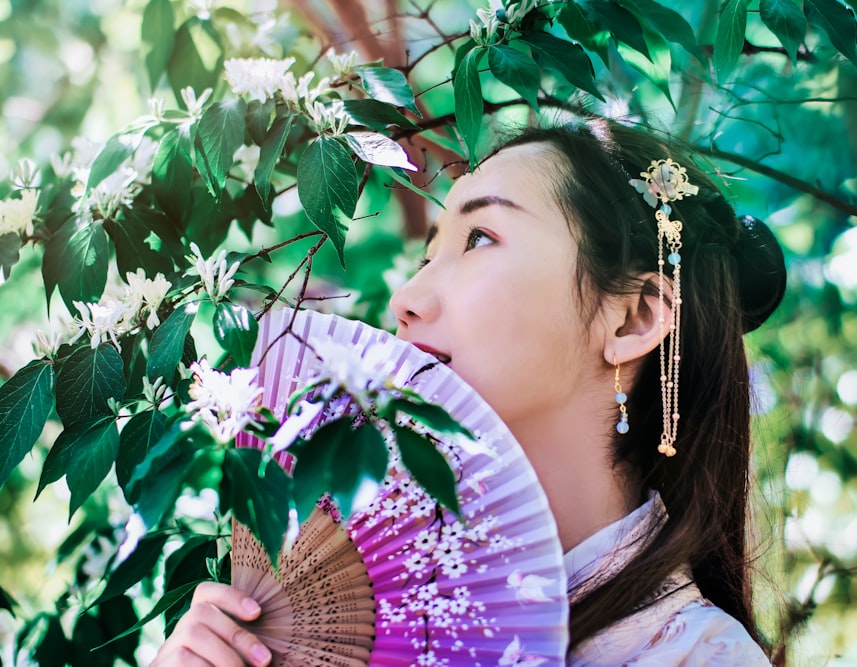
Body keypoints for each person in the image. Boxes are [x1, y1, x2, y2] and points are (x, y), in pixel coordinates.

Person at [152, 118, 786, 666]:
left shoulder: (696, 657)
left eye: (480, 239)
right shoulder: (358, 610)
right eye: (430, 256)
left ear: (633, 318)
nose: (405, 301)